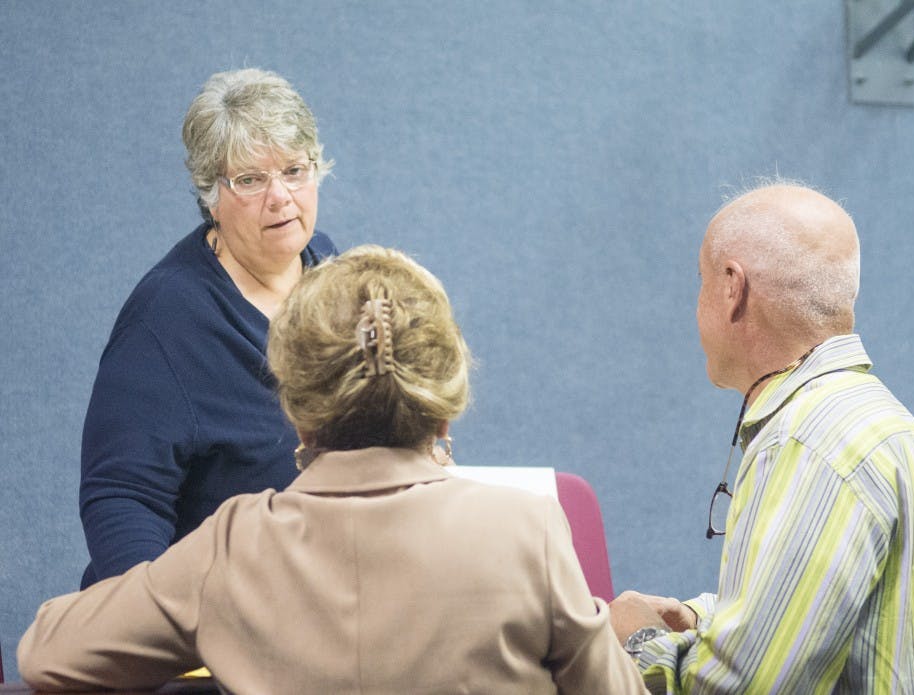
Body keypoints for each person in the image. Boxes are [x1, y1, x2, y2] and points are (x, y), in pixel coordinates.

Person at [19, 245, 648, 694]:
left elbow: (46, 655)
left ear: (296, 411)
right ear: (446, 405)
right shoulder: (527, 529)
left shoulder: (232, 547)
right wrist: (608, 627)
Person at [609, 181, 914, 693]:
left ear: (732, 288)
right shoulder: (890, 427)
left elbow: (743, 687)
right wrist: (701, 619)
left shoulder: (807, 444)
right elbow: (836, 618)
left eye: (700, 281)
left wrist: (636, 639)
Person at [78, 68, 336, 588]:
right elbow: (122, 497)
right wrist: (163, 623)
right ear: (210, 195)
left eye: (294, 170)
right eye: (249, 179)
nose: (281, 196)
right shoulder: (166, 318)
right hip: (212, 615)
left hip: (320, 597)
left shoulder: (333, 272)